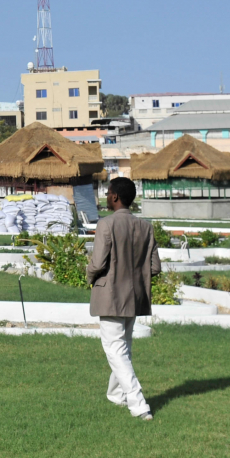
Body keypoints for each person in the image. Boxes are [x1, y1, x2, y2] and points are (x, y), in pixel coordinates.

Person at [86, 176, 162, 420]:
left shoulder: (106, 224)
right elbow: (155, 267)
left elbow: (97, 262)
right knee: (122, 348)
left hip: (110, 295)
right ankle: (116, 396)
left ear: (115, 197)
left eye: (108, 193)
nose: (106, 197)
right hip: (135, 296)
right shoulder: (146, 227)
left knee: (115, 348)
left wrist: (89, 276)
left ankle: (138, 404)